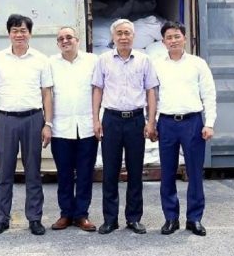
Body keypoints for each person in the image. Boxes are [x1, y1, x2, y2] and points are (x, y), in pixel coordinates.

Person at [0, 14, 53, 236]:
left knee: (33, 171)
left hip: (33, 119)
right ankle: (1, 218)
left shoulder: (41, 59)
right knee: (4, 171)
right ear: (9, 34)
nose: (19, 34)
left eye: (23, 30)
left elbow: (46, 93)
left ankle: (34, 218)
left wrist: (48, 123)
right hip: (6, 120)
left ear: (30, 34)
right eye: (15, 30)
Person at [92, 18, 158, 235]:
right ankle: (110, 219)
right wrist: (96, 120)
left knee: (135, 171)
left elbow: (151, 91)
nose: (123, 37)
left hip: (136, 120)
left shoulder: (144, 60)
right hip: (111, 120)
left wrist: (150, 121)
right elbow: (98, 91)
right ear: (113, 36)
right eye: (119, 33)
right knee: (110, 171)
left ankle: (134, 218)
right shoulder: (103, 60)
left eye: (127, 33)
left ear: (134, 36)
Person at [153, 21, 216, 237]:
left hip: (193, 122)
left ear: (185, 38)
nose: (173, 40)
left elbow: (209, 94)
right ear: (163, 42)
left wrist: (209, 123)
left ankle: (194, 218)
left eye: (177, 36)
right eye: (169, 37)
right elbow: (152, 96)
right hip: (167, 123)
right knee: (168, 172)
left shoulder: (198, 64)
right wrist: (151, 122)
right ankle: (171, 218)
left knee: (195, 172)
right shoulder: (157, 65)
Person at [48, 27, 99, 232]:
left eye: (69, 37)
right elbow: (47, 94)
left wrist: (98, 119)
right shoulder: (50, 63)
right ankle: (66, 214)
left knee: (86, 173)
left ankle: (82, 215)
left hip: (86, 127)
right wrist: (48, 123)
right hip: (61, 128)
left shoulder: (92, 61)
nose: (65, 41)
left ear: (78, 40)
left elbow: (98, 90)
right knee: (64, 174)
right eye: (60, 38)